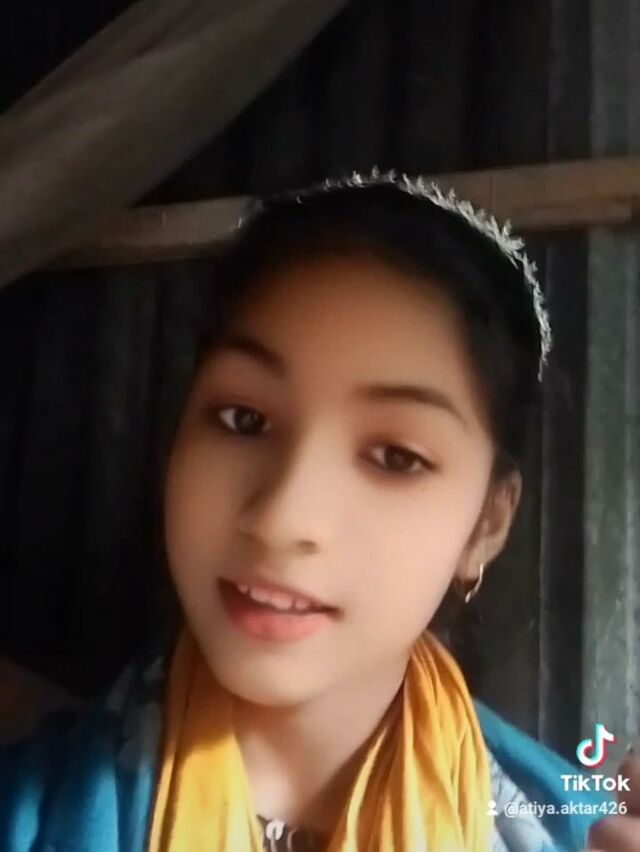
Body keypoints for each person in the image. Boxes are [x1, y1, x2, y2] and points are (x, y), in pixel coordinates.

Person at [1, 171, 638, 852]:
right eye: (243, 418)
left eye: (395, 457)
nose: (283, 519)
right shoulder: (27, 815)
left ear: (486, 525)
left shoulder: (577, 832)